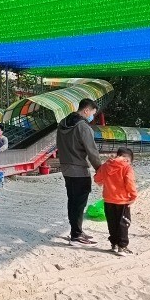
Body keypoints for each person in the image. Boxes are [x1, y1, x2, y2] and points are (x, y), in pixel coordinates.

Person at [56, 98, 102, 245]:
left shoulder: (62, 123)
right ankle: (76, 235)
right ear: (86, 110)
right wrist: (100, 170)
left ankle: (76, 230)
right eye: (92, 113)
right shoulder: (83, 127)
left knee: (72, 200)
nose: (92, 117)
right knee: (79, 202)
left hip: (66, 167)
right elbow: (92, 152)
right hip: (79, 169)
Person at [94, 147, 138, 255]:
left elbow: (97, 178)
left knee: (112, 222)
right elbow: (130, 182)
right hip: (122, 201)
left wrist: (101, 182)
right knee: (123, 223)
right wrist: (133, 196)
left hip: (108, 199)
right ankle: (122, 247)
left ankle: (113, 244)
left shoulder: (105, 165)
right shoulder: (127, 168)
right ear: (127, 159)